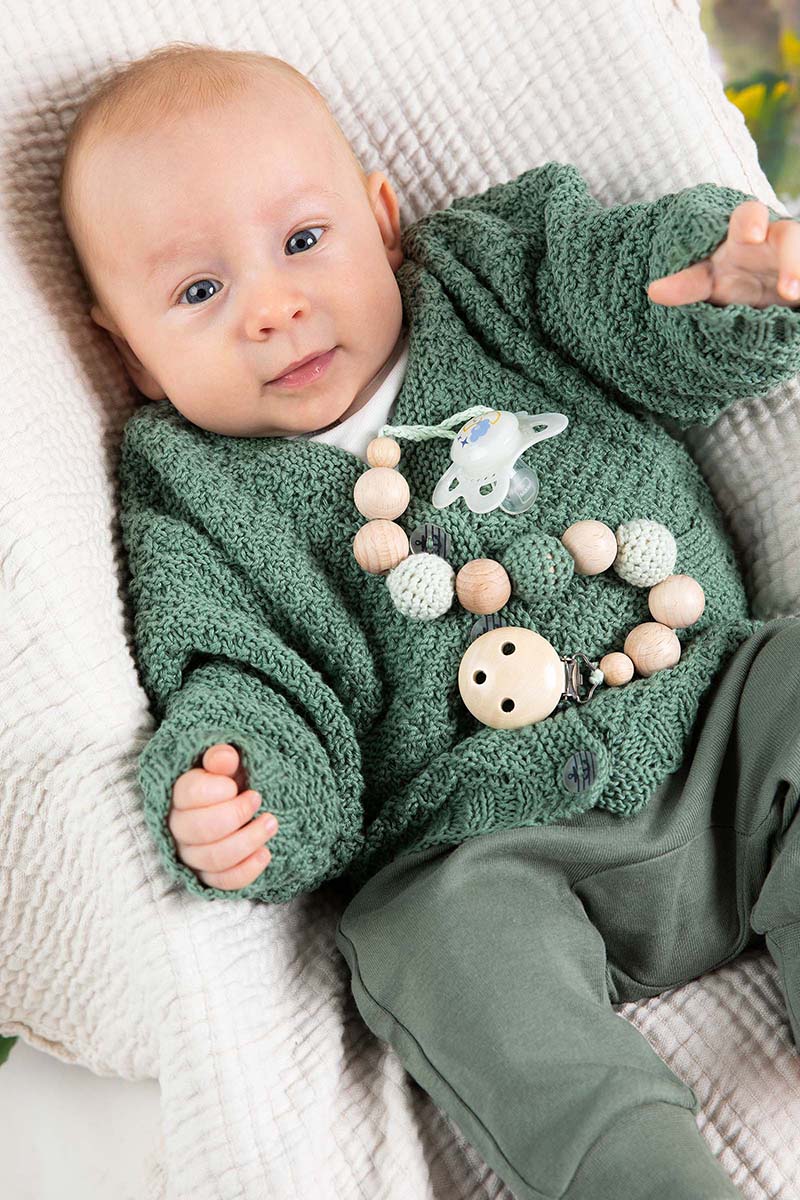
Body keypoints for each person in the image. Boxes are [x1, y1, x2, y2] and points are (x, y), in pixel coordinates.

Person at [60, 41, 800, 1200]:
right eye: (199, 293)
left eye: (302, 241)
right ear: (131, 355)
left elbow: (617, 284)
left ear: (382, 219)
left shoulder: (494, 276)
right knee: (419, 945)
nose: (273, 308)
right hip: (480, 856)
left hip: (713, 721)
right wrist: (243, 786)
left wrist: (711, 276)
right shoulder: (191, 493)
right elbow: (236, 671)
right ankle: (643, 1176)